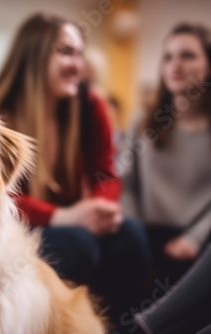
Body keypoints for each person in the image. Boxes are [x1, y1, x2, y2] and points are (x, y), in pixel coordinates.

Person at [0, 13, 150, 328]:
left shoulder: (90, 105)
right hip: (14, 228)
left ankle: (122, 327)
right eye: (65, 52)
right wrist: (61, 217)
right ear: (34, 54)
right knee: (78, 246)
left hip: (74, 219)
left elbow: (106, 171)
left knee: (131, 237)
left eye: (79, 53)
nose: (77, 65)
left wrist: (100, 206)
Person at [121, 23, 211, 286]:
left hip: (200, 240)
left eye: (188, 55)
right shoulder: (142, 121)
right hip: (143, 234)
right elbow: (126, 184)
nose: (175, 65)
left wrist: (193, 239)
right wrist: (134, 233)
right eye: (168, 56)